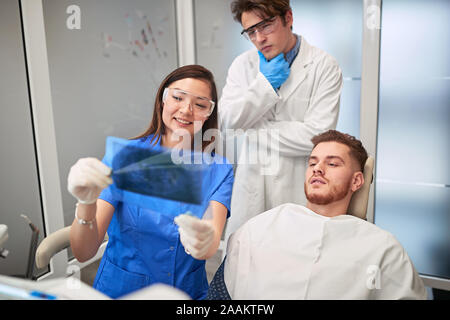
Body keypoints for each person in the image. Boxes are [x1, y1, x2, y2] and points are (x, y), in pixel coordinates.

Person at [67, 65, 234, 299]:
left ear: (208, 114)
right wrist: (86, 203)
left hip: (185, 294)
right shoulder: (125, 159)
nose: (186, 110)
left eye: (200, 104)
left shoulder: (219, 170)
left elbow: (210, 242)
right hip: (121, 291)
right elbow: (84, 252)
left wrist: (203, 242)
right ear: (162, 101)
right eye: (178, 97)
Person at [207, 130, 427, 300]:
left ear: (357, 181)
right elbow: (220, 295)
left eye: (332, 164)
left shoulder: (382, 249)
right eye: (312, 162)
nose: (318, 168)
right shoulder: (259, 228)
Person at [220, 0, 343, 240]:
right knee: (243, 267)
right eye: (251, 32)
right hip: (252, 188)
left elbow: (317, 137)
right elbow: (227, 123)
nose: (259, 38)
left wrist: (251, 128)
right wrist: (265, 85)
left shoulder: (324, 66)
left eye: (265, 26)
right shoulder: (242, 66)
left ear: (288, 17)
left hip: (297, 188)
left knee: (294, 264)